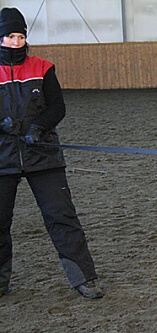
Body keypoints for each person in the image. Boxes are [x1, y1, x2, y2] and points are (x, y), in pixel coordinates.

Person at [0, 7, 103, 299]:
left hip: (42, 154)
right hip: (2, 157)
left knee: (62, 217)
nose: (16, 42)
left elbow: (58, 106)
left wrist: (38, 126)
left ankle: (84, 278)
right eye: (10, 36)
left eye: (21, 36)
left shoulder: (42, 68)